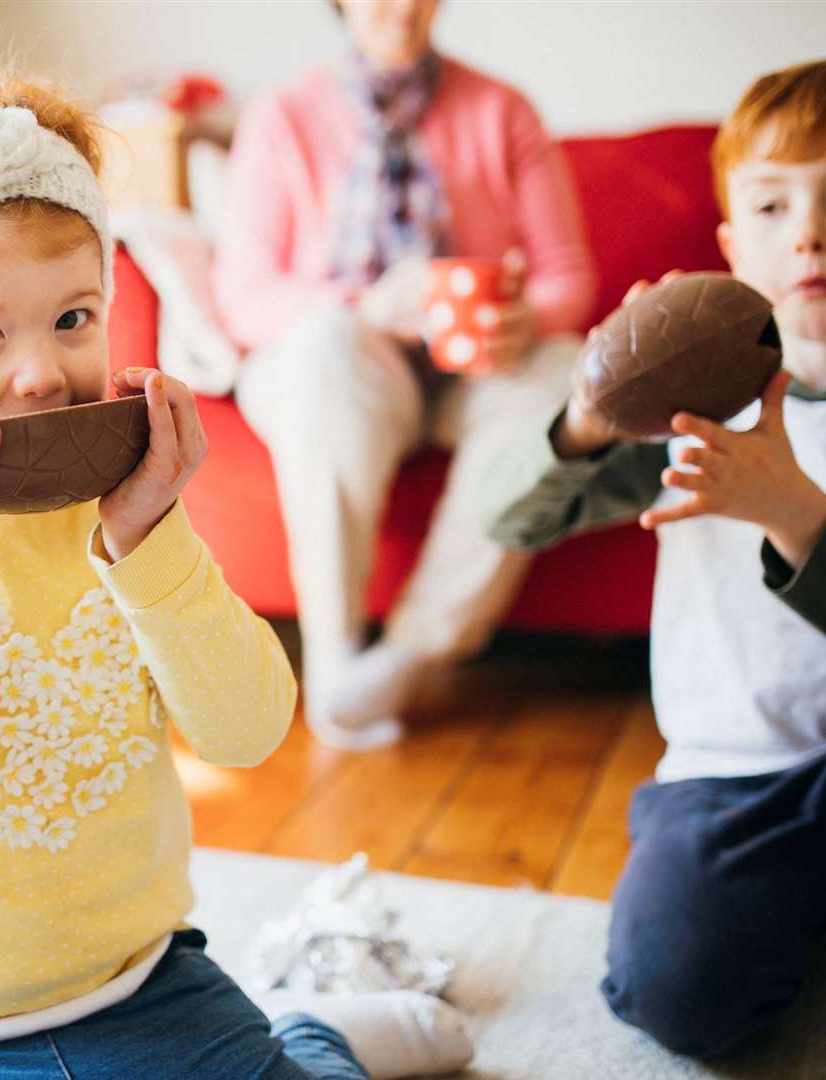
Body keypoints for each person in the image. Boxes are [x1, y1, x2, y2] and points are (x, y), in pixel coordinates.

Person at [0, 60, 475, 1079]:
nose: (41, 371)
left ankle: (314, 1037)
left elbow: (249, 731)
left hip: (147, 983)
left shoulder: (121, 504)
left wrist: (151, 538)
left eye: (73, 318)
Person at [487, 59, 826, 1057]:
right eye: (772, 205)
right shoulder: (695, 408)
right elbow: (510, 521)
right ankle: (807, 900)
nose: (808, 231)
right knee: (678, 998)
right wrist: (590, 416)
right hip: (734, 781)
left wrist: (794, 510)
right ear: (731, 246)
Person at [212, 0, 597, 749]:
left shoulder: (503, 110)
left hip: (469, 371)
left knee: (567, 372)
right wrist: (362, 306)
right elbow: (245, 296)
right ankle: (333, 657)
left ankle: (411, 652)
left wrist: (525, 318)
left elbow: (566, 276)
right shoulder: (281, 117)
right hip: (338, 368)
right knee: (326, 345)